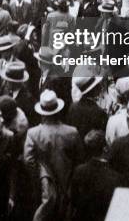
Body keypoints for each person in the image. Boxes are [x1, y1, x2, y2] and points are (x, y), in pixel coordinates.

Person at [24, 90, 84, 219]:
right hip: (67, 179)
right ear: (58, 111)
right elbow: (79, 158)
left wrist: (38, 175)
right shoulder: (72, 132)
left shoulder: (33, 133)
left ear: (42, 112)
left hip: (44, 182)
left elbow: (28, 160)